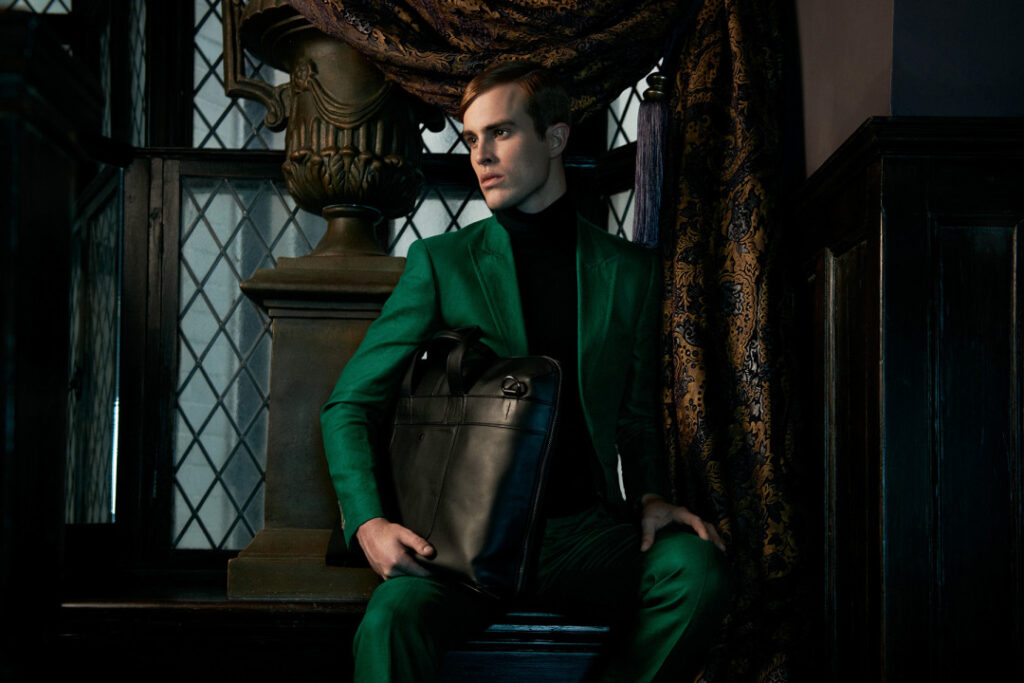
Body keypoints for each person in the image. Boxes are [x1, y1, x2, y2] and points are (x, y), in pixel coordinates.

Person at [321, 61, 730, 682]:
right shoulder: (441, 263)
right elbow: (348, 405)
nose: (481, 155)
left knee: (698, 573)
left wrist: (650, 496)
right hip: (463, 544)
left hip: (583, 536)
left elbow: (636, 417)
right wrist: (370, 524)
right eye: (471, 139)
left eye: (502, 132)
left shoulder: (628, 272)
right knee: (390, 621)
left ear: (556, 137)